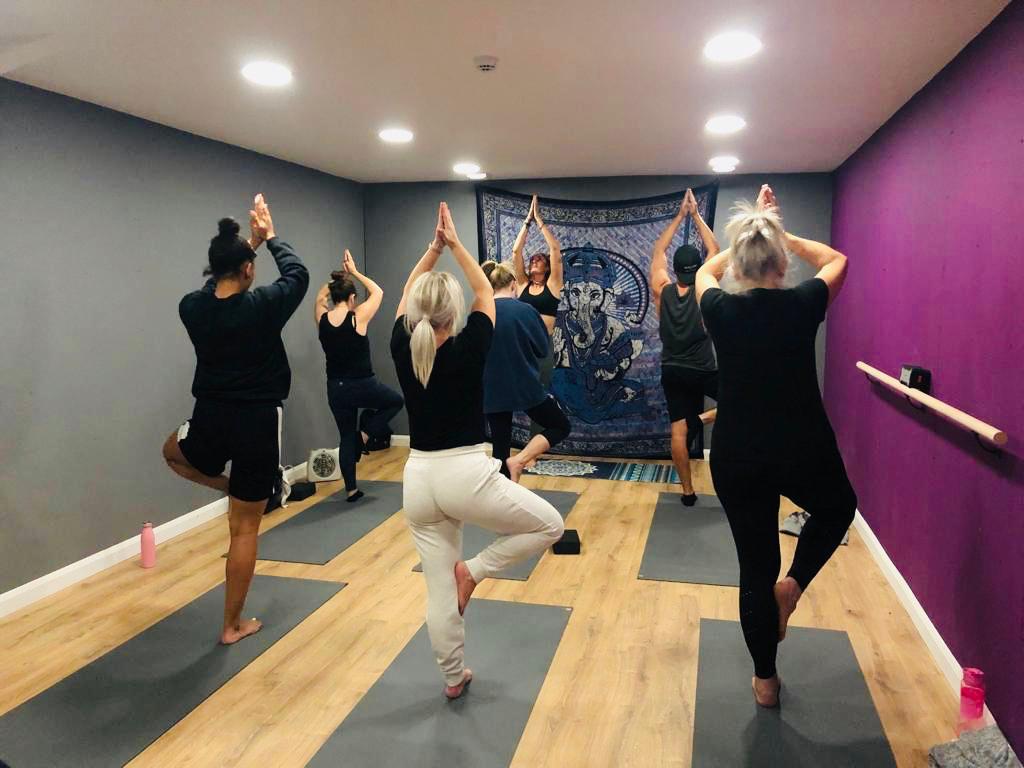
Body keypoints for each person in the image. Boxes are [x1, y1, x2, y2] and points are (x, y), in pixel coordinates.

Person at [391, 202, 564, 699]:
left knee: (437, 589)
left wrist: (432, 250)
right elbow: (486, 290)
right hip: (465, 474)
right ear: (454, 313)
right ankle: (475, 572)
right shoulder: (470, 346)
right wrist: (453, 244)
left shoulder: (402, 346)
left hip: (418, 480)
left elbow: (405, 295)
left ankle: (452, 678)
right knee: (549, 525)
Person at [695, 185, 856, 707]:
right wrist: (778, 230)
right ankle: (795, 585)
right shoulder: (803, 303)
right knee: (838, 507)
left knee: (754, 568)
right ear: (782, 261)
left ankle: (765, 682)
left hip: (738, 454)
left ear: (740, 264)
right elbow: (837, 260)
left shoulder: (719, 308)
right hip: (801, 446)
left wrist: (749, 234)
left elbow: (705, 273)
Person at [162, 194, 309, 644]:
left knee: (172, 452)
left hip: (211, 415)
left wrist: (249, 246)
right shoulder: (262, 305)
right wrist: (269, 237)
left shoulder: (192, 307)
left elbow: (213, 289)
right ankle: (231, 626)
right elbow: (298, 274)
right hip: (258, 421)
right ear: (247, 269)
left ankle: (239, 488)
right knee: (244, 527)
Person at [650, 188, 720, 505]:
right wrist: (696, 216)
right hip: (703, 370)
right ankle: (701, 420)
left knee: (678, 431)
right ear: (698, 270)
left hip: (672, 370)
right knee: (742, 400)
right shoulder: (706, 289)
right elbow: (714, 249)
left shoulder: (662, 289)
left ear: (675, 270)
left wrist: (680, 216)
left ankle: (688, 493)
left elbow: (658, 250)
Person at [315, 249, 403, 501]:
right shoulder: (357, 317)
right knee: (395, 402)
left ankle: (351, 490)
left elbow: (320, 297)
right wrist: (353, 272)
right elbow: (378, 292)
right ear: (352, 298)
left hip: (336, 388)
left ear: (333, 296)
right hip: (363, 384)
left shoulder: (322, 318)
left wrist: (336, 281)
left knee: (345, 436)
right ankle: (363, 436)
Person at [480, 261, 571, 482]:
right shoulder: (526, 310)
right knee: (560, 425)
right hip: (524, 385)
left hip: (491, 387)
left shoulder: (480, 311)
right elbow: (541, 349)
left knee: (500, 447)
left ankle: (502, 493)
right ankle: (520, 459)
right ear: (513, 284)